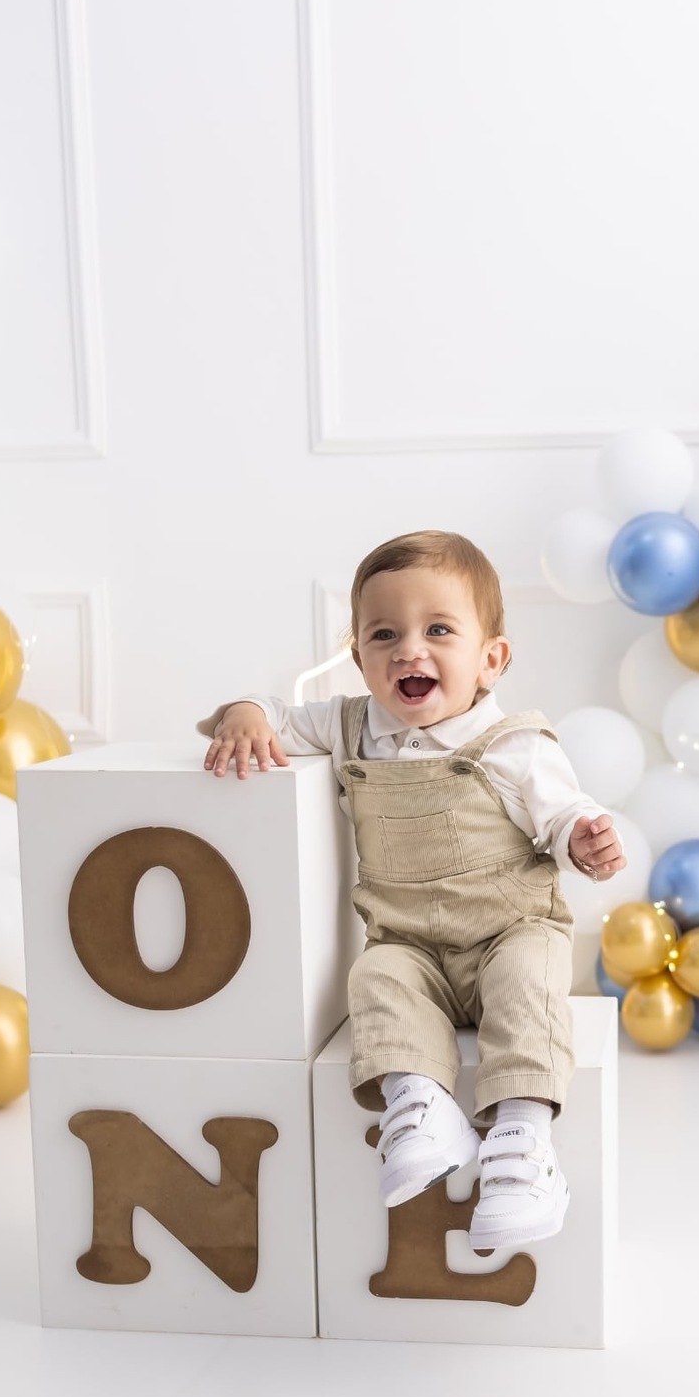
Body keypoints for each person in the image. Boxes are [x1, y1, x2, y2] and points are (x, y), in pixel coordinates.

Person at [198, 530, 624, 1252]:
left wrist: (584, 840)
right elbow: (273, 713)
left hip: (508, 933)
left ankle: (523, 1144)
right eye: (383, 634)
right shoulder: (349, 727)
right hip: (412, 944)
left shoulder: (515, 744)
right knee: (376, 978)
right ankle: (421, 1106)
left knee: (528, 982)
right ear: (358, 657)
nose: (408, 650)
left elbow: (562, 816)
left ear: (491, 659)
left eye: (439, 631)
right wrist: (245, 714)